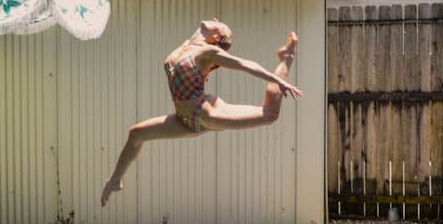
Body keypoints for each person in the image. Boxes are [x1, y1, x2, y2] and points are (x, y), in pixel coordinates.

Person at [101, 18, 302, 206]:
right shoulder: (186, 45)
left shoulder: (207, 52)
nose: (215, 19)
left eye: (219, 24)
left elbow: (245, 65)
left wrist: (279, 82)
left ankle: (286, 58)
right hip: (183, 120)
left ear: (216, 37)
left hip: (204, 114)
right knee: (136, 133)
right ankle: (115, 180)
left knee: (270, 113)